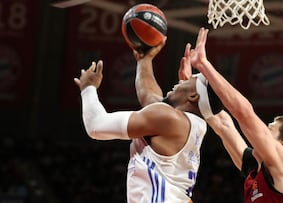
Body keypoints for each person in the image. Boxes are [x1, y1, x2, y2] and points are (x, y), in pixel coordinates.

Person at [73, 37, 222, 203]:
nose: (180, 82)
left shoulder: (169, 118)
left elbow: (96, 126)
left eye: (188, 81)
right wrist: (145, 60)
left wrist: (88, 89)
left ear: (193, 96)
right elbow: (148, 96)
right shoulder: (195, 124)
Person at [189, 27, 283, 202]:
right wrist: (191, 88)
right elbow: (223, 124)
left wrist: (204, 65)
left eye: (270, 129)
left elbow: (244, 114)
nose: (262, 130)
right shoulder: (256, 166)